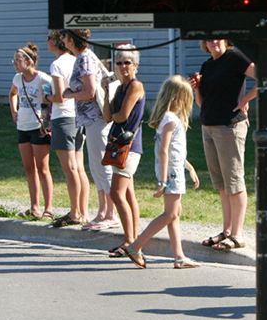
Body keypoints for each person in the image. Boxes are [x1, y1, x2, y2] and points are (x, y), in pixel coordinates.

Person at [123, 76, 200, 269]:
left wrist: (188, 167)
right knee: (170, 213)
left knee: (175, 213)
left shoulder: (169, 119)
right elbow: (163, 150)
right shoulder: (171, 120)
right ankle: (135, 246)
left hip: (175, 169)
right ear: (177, 99)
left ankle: (179, 256)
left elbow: (175, 150)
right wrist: (164, 181)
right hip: (171, 173)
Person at [189, 38, 256, 251]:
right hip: (208, 125)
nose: (213, 41)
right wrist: (196, 88)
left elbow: (266, 78)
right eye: (208, 38)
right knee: (222, 183)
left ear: (225, 39)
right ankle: (226, 231)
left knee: (234, 180)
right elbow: (202, 103)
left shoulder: (235, 57)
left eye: (217, 36)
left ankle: (237, 235)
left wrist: (244, 101)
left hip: (229, 126)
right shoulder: (207, 65)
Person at [62, 29, 118, 230]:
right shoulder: (83, 57)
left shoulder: (86, 59)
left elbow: (89, 91)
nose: (62, 40)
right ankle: (103, 211)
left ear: (71, 39)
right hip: (90, 119)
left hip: (98, 118)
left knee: (103, 165)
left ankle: (111, 213)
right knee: (96, 166)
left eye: (64, 36)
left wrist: (69, 93)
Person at [104, 44, 145, 255]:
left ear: (135, 64)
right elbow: (106, 115)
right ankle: (132, 240)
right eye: (119, 63)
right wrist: (104, 92)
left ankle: (131, 243)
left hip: (129, 146)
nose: (122, 66)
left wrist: (114, 112)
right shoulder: (120, 88)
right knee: (128, 194)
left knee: (116, 193)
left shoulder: (135, 86)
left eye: (127, 62)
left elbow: (120, 116)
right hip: (119, 145)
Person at [45, 30, 87, 227]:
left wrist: (46, 98)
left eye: (49, 38)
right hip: (79, 115)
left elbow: (60, 96)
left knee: (69, 168)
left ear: (56, 42)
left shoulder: (57, 64)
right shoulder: (75, 60)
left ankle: (75, 211)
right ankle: (83, 210)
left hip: (63, 117)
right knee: (79, 167)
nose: (46, 41)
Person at [8, 43, 54, 220]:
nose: (15, 64)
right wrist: (14, 111)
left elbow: (55, 95)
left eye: (18, 61)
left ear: (29, 62)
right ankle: (34, 206)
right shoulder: (17, 79)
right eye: (14, 61)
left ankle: (48, 208)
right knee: (29, 168)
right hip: (23, 126)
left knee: (43, 168)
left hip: (38, 126)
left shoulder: (42, 78)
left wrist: (47, 116)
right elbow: (12, 93)